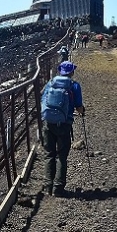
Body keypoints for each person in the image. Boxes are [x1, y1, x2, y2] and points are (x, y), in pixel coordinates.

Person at [40, 61, 85, 197]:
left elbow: (43, 100)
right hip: (64, 124)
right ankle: (58, 188)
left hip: (48, 123)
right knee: (61, 157)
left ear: (60, 71)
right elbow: (79, 107)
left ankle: (48, 186)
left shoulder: (51, 83)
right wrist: (82, 111)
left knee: (49, 154)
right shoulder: (74, 86)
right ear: (71, 72)